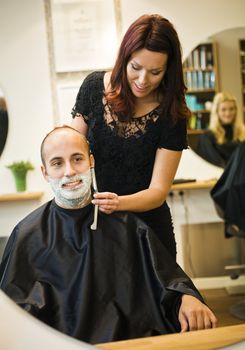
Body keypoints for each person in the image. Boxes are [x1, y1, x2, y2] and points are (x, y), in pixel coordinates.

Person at [0, 126, 217, 344]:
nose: (69, 171)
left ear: (91, 161)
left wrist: (187, 297)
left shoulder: (126, 224)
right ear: (45, 172)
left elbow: (167, 278)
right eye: (57, 163)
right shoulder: (27, 233)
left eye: (77, 159)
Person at [71, 14, 191, 259]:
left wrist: (118, 203)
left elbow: (158, 191)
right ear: (124, 58)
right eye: (135, 67)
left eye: (155, 72)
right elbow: (72, 151)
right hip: (96, 226)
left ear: (169, 70)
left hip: (148, 230)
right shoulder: (94, 87)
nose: (143, 80)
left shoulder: (172, 113)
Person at [196, 92, 245, 168]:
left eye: (231, 109)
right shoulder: (207, 137)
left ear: (236, 110)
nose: (228, 113)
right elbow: (215, 165)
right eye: (223, 109)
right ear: (217, 112)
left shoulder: (243, 133)